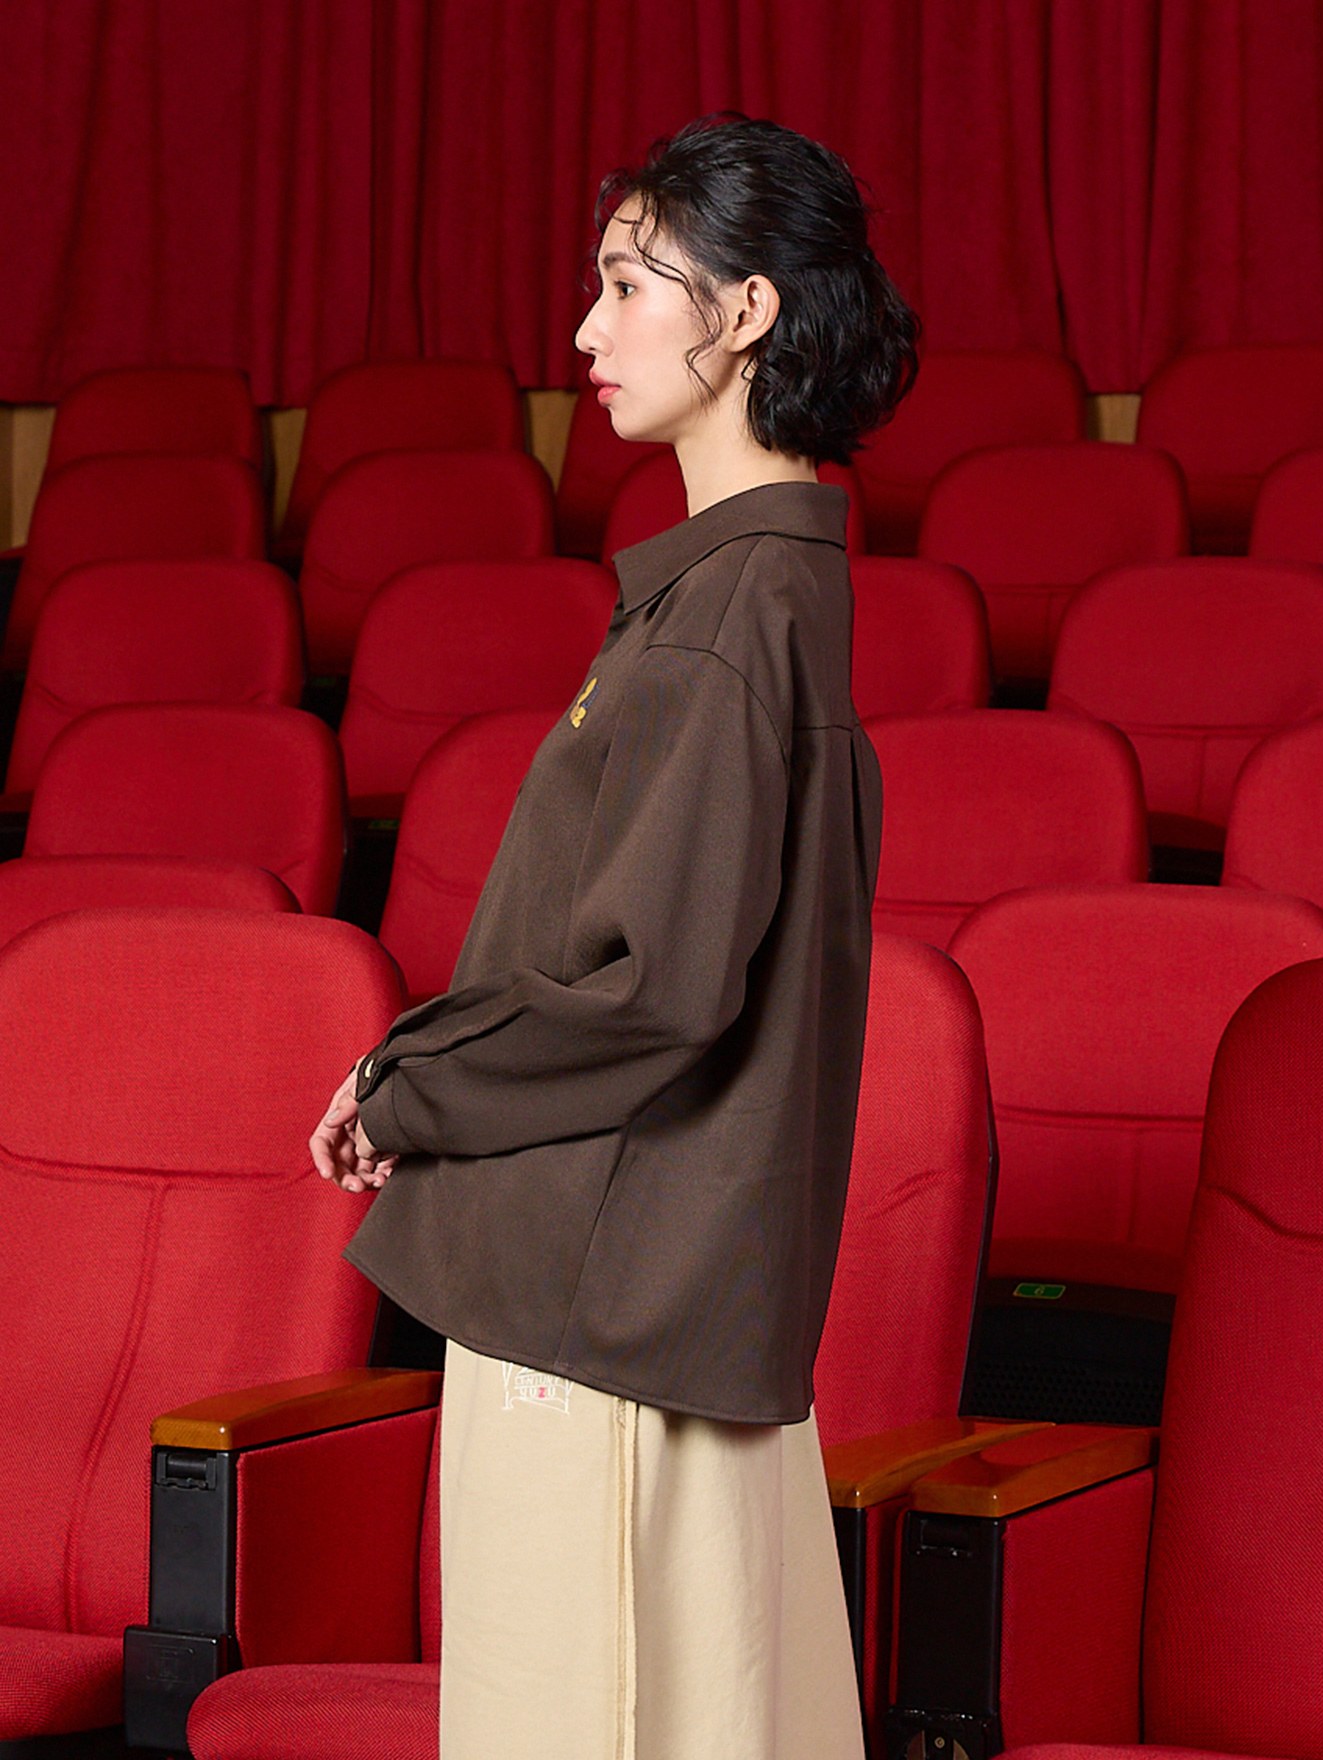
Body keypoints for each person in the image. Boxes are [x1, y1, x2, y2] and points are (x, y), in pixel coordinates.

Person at [310, 113, 918, 1760]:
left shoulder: (729, 619)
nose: (587, 331)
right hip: (635, 1293)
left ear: (748, 312)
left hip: (607, 1306)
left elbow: (656, 990)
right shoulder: (743, 597)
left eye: (630, 285)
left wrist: (409, 1082)